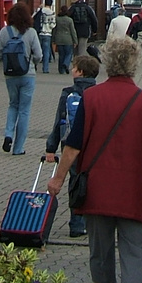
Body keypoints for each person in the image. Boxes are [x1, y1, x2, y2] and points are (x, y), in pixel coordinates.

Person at [46, 38, 142, 283]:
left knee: (100, 249)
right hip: (139, 190)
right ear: (135, 65)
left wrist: (57, 180)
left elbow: (73, 146)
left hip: (97, 188)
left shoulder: (92, 98)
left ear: (108, 63)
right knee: (136, 252)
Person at [45, 54, 100, 238]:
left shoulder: (68, 92)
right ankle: (93, 223)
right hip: (94, 146)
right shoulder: (99, 92)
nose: (71, 70)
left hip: (70, 145)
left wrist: (50, 147)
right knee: (93, 182)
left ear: (80, 72)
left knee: (75, 182)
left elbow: (59, 121)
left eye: (74, 67)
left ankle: (76, 224)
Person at [0, 2, 42, 155]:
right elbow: (39, 55)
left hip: (10, 75)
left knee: (12, 105)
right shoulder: (31, 33)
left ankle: (8, 134)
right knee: (24, 110)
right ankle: (18, 148)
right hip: (27, 75)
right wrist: (32, 63)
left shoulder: (4, 32)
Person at [51, 7, 78, 74]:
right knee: (69, 53)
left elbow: (54, 30)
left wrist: (53, 39)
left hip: (59, 39)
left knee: (61, 55)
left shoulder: (57, 19)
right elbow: (73, 31)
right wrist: (75, 41)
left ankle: (61, 70)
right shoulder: (69, 20)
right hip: (68, 39)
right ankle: (66, 63)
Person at [34, 2, 56, 74]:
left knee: (37, 50)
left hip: (39, 32)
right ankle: (45, 69)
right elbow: (52, 25)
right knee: (46, 51)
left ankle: (35, 65)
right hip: (47, 34)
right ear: (51, 4)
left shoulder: (39, 11)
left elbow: (33, 18)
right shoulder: (52, 13)